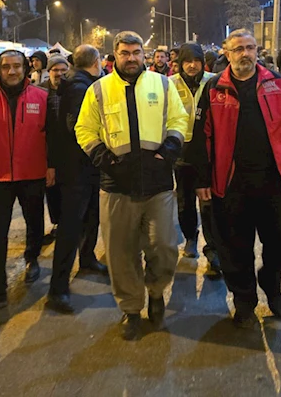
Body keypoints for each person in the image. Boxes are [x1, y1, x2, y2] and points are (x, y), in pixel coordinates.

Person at [192, 29, 281, 328]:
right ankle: (245, 300)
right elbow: (201, 138)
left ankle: (271, 283)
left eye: (250, 48)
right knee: (234, 248)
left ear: (257, 51)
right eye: (238, 49)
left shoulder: (277, 83)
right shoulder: (213, 89)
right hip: (231, 185)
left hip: (276, 183)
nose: (245, 54)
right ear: (227, 53)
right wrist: (202, 179)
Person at [75, 31, 188, 341]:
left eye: (137, 52)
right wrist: (103, 158)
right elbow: (84, 128)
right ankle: (131, 309)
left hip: (158, 183)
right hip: (116, 186)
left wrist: (169, 150)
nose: (132, 58)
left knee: (164, 246)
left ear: (144, 55)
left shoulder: (162, 85)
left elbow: (179, 120)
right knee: (120, 252)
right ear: (115, 55)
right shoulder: (99, 89)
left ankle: (155, 293)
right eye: (125, 53)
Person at [0, 50, 54, 311]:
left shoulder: (42, 97)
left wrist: (52, 166)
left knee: (35, 223)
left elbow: (51, 136)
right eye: (6, 67)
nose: (12, 71)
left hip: (32, 174)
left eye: (17, 66)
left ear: (26, 69)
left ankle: (32, 258)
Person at [46, 46, 108, 314]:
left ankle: (87, 258)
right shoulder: (80, 88)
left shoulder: (81, 82)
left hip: (86, 168)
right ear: (96, 62)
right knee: (71, 227)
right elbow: (77, 128)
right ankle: (57, 289)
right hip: (77, 169)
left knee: (91, 216)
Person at [170, 43, 221, 274]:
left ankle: (214, 252)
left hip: (210, 153)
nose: (192, 66)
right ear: (179, 63)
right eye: (187, 61)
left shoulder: (215, 81)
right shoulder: (169, 84)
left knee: (210, 204)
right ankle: (191, 237)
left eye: (196, 61)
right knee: (184, 203)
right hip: (181, 154)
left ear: (203, 62)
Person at [40, 56, 69, 244]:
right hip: (48, 146)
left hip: (70, 146)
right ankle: (57, 223)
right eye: (55, 70)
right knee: (52, 187)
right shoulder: (41, 91)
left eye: (62, 70)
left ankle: (69, 222)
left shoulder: (73, 88)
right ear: (49, 71)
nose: (59, 74)